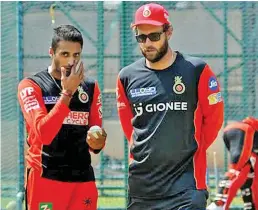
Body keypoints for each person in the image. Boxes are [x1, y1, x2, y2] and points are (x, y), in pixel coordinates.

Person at [116, 3, 224, 209]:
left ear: (169, 32)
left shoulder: (196, 70)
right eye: (141, 37)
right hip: (143, 188)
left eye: (154, 36)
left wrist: (189, 147)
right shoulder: (126, 77)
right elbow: (131, 130)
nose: (148, 43)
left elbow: (213, 120)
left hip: (186, 187)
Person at [17, 24, 107, 210]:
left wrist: (98, 140)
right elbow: (44, 134)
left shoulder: (90, 87)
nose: (71, 61)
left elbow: (95, 141)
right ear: (52, 52)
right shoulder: (31, 86)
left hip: (82, 180)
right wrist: (67, 93)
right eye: (64, 54)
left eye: (76, 55)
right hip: (45, 178)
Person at [207, 117, 258, 210]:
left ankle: (248, 206)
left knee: (245, 172)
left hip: (229, 130)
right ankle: (218, 203)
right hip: (245, 131)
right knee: (235, 170)